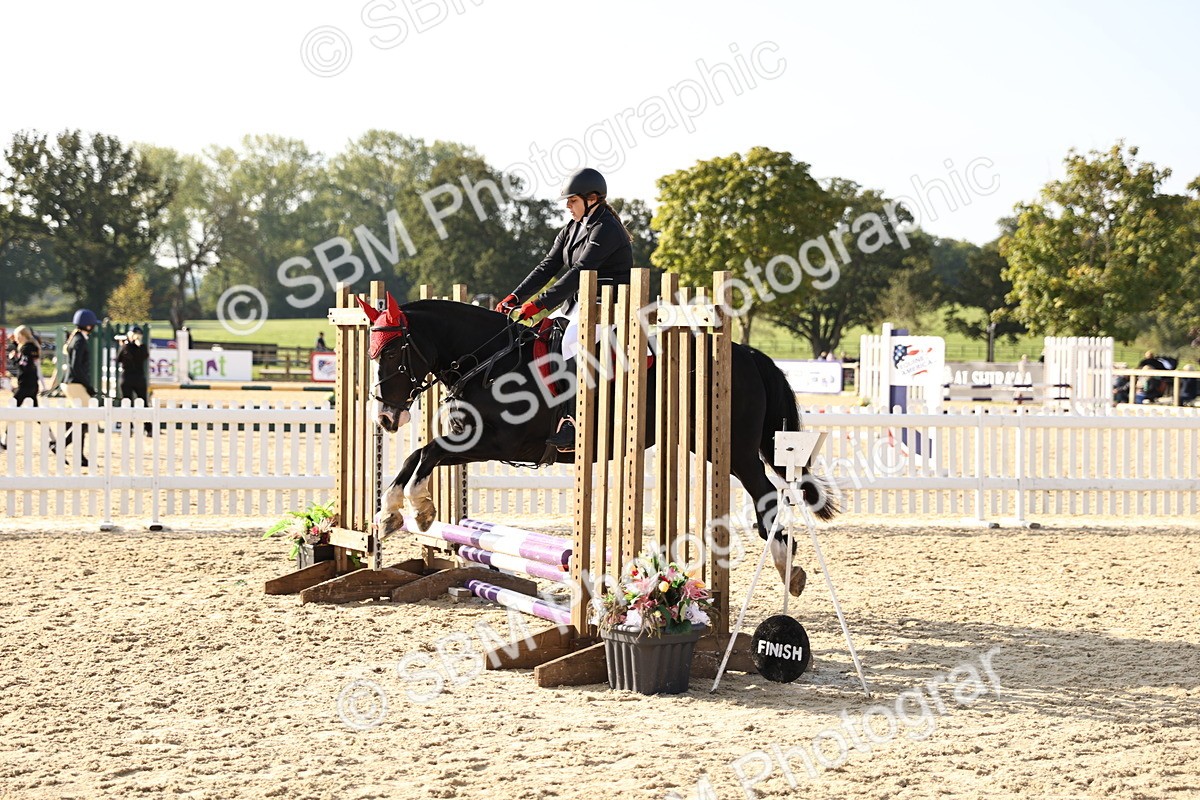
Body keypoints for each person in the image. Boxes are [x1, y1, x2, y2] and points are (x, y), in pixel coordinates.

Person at [493, 168, 633, 451]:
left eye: (572, 201)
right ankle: (549, 409)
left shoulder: (606, 228)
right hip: (580, 302)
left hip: (608, 302)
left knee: (570, 343)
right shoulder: (572, 228)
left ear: (592, 199)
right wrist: (516, 296)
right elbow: (548, 266)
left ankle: (573, 421)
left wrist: (539, 304)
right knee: (542, 337)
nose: (567, 206)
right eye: (567, 201)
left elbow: (581, 271)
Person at [54, 308, 99, 465]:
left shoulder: (77, 338)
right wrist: (88, 386)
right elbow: (76, 367)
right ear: (88, 326)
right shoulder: (79, 340)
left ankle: (79, 456)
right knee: (86, 420)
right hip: (75, 383)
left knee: (80, 420)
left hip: (71, 383)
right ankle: (59, 446)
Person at [0, 325, 43, 451]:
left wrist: (14, 359)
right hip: (33, 385)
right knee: (38, 414)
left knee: (12, 412)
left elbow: (24, 365)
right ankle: (51, 439)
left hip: (24, 385)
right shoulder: (33, 347)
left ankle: (5, 441)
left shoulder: (25, 348)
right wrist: (14, 343)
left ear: (22, 335)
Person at [116, 325, 152, 435]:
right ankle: (148, 428)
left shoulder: (126, 347)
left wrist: (122, 345)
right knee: (143, 402)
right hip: (139, 378)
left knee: (127, 402)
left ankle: (128, 427)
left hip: (127, 377)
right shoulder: (142, 347)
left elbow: (119, 359)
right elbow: (144, 356)